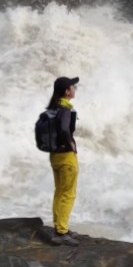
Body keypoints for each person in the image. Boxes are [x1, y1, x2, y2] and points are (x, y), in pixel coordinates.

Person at [46, 76, 81, 246]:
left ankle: (59, 227)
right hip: (66, 157)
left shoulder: (54, 107)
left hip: (55, 156)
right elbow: (64, 129)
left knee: (59, 192)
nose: (75, 89)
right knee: (69, 193)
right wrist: (72, 145)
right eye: (73, 87)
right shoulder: (65, 109)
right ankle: (61, 232)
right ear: (67, 91)